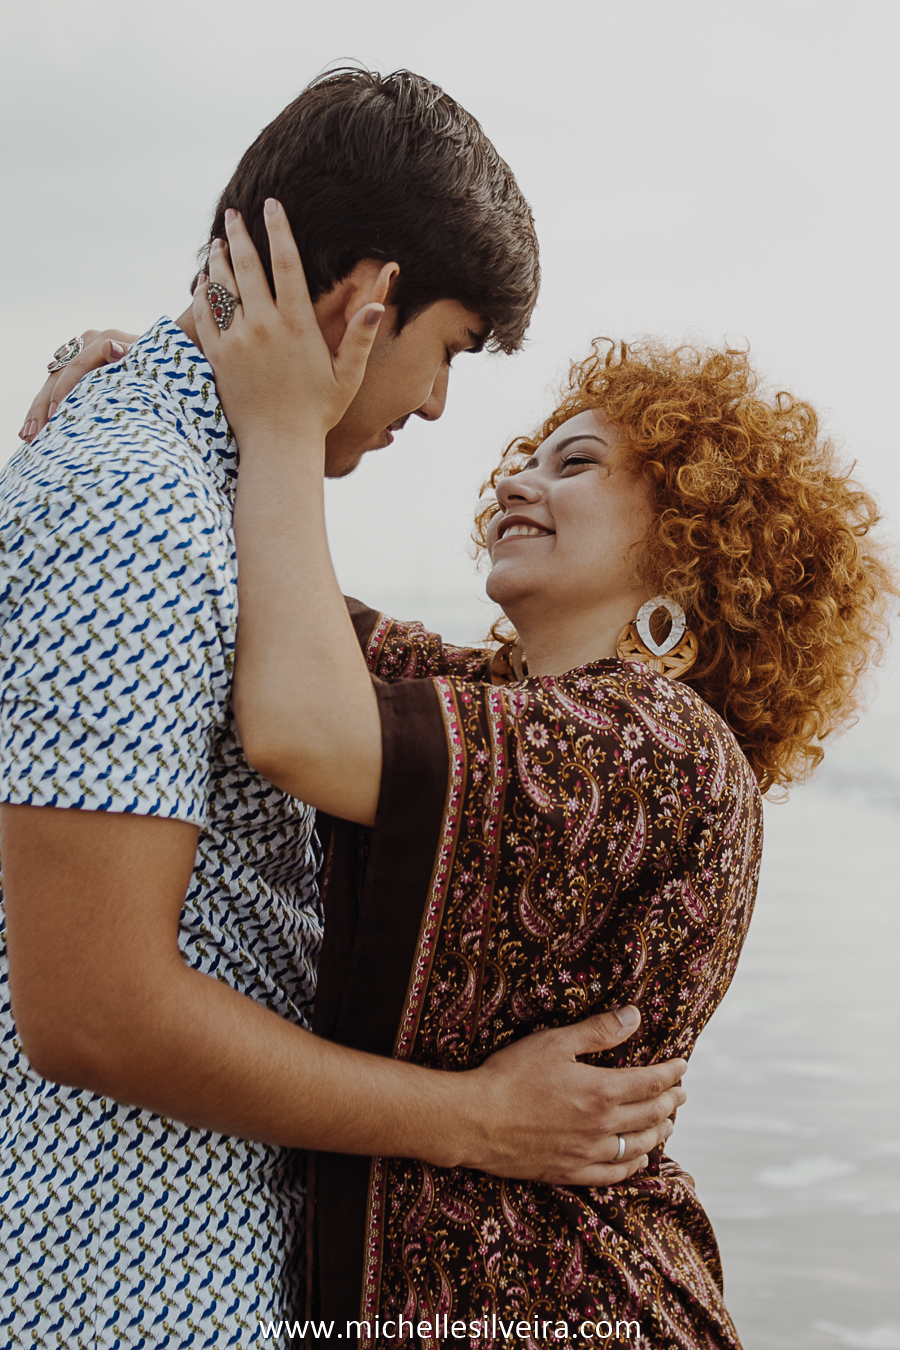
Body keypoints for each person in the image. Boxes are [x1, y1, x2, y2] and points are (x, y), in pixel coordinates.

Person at [0, 70, 687, 1344]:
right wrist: (479, 1119)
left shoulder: (194, 502)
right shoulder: (139, 510)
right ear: (368, 304)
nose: (434, 405)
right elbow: (91, 1008)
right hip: (121, 1284)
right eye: (447, 354)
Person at [195, 205, 896, 1346]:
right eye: (526, 455)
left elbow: (297, 726)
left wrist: (280, 429)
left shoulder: (660, 745)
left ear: (693, 540)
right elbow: (277, 606)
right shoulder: (512, 706)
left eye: (575, 463)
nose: (518, 479)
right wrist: (149, 392)